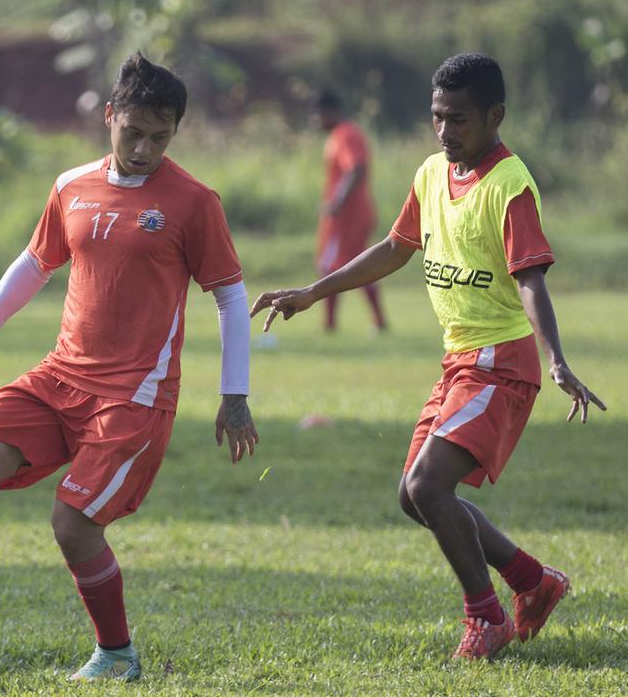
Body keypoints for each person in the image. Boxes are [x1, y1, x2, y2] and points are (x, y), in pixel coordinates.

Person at [0, 53, 259, 682]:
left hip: (133, 398)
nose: (144, 148)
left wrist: (234, 394)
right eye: (133, 132)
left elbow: (231, 296)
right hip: (59, 378)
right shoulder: (71, 185)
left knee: (73, 524)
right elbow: (35, 263)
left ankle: (117, 655)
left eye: (160, 137)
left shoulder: (194, 202)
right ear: (110, 117)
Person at [251, 53, 605, 660]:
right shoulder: (431, 173)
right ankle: (532, 581)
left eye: (458, 119)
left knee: (428, 485)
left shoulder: (510, 185)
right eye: (437, 117)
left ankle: (485, 618)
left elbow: (530, 279)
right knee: (413, 496)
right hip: (459, 361)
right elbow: (395, 247)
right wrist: (313, 292)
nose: (444, 130)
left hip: (501, 363)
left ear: (495, 115)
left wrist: (556, 359)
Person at [312, 89, 386, 332]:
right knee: (354, 266)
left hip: (348, 217)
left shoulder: (345, 134)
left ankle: (330, 325)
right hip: (351, 214)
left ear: (330, 111)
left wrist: (337, 201)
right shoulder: (340, 135)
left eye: (318, 114)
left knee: (331, 267)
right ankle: (377, 321)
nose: (315, 120)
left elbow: (356, 169)